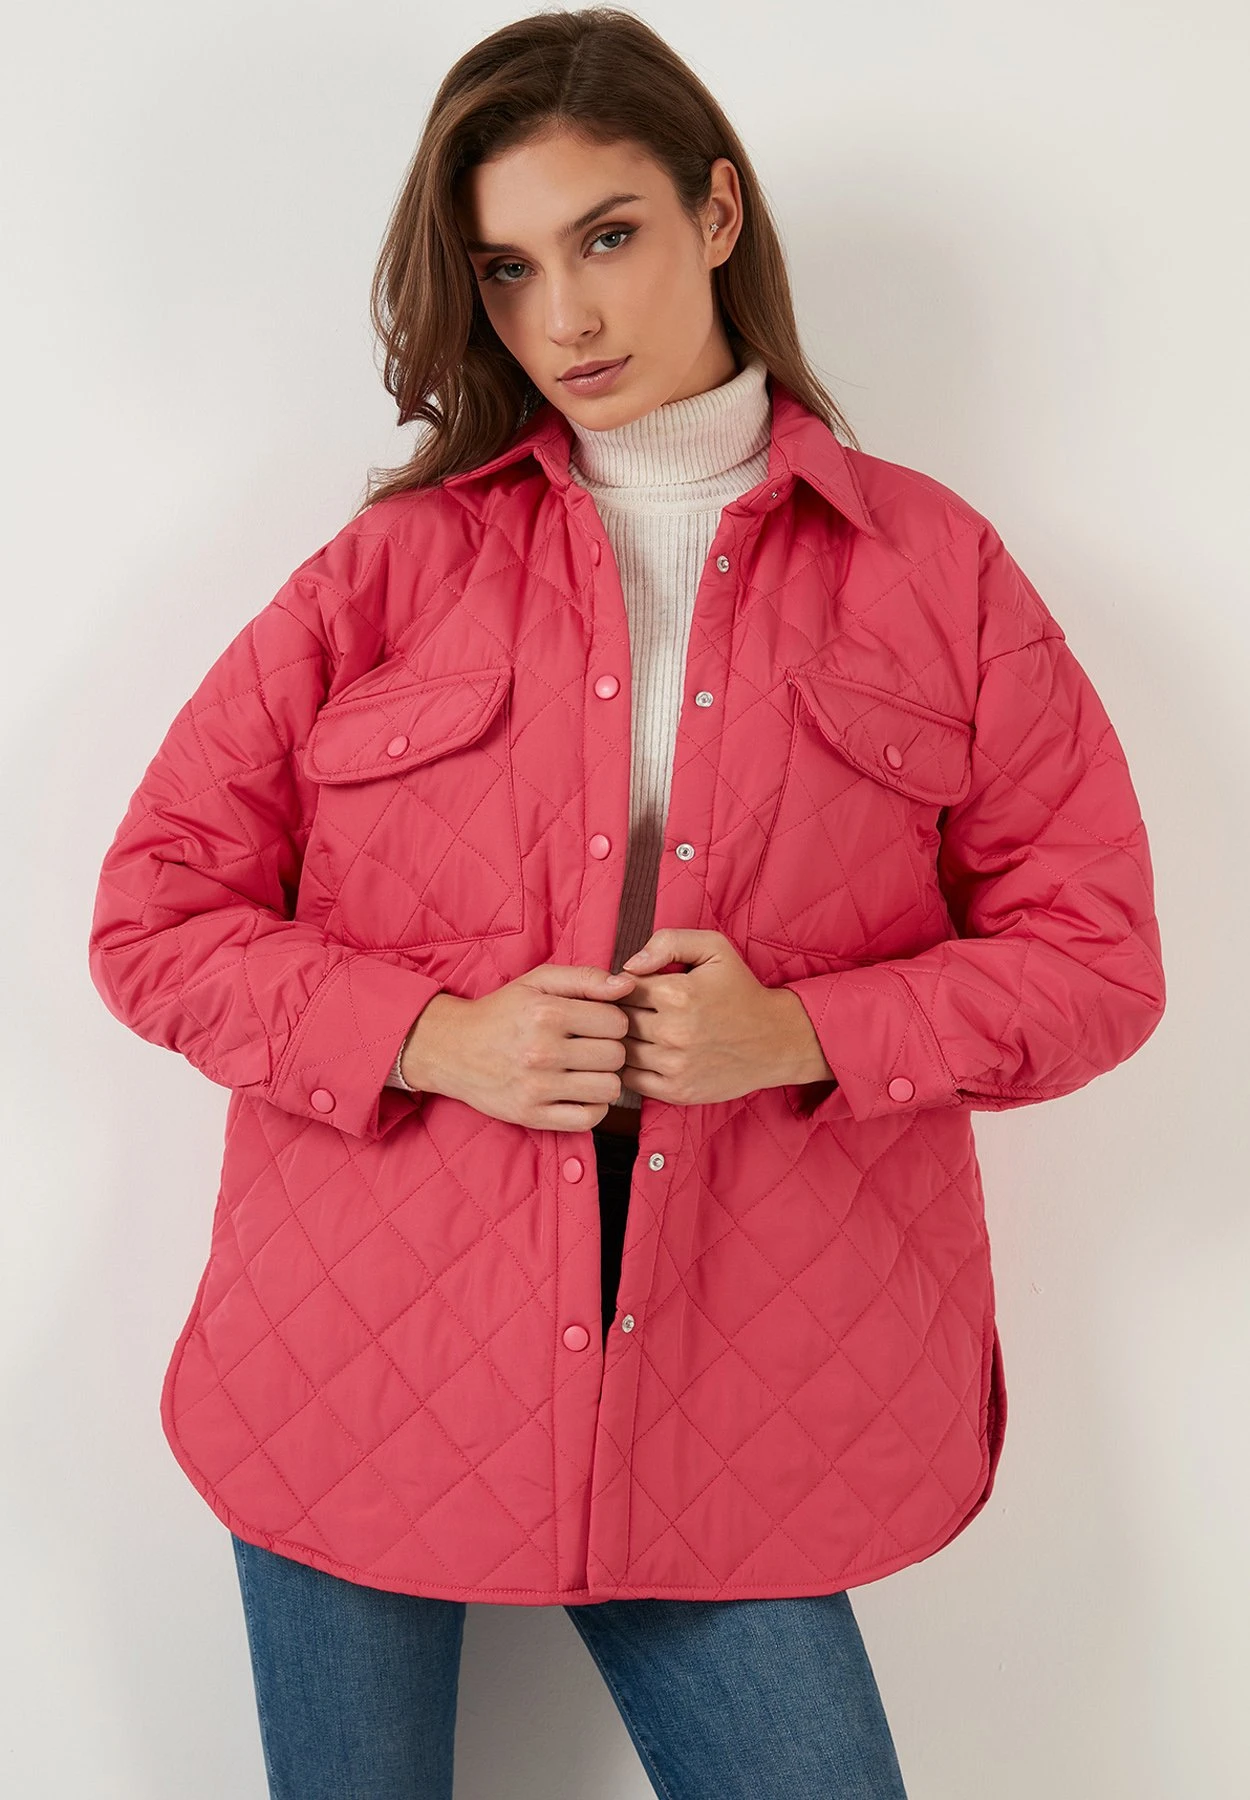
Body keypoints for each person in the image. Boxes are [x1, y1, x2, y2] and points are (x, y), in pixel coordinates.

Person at [87, 8, 1166, 1797]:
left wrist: (795, 1032)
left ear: (715, 213)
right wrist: (437, 1038)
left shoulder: (934, 572)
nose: (564, 318)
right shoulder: (391, 570)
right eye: (507, 269)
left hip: (740, 1376)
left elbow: (1095, 963)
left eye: (606, 236)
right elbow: (153, 916)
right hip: (365, 1340)